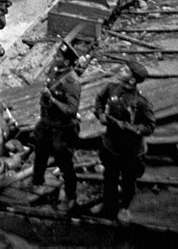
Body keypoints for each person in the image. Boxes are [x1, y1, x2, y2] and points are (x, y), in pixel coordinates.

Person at [92, 59, 155, 223]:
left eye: (126, 71)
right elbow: (99, 100)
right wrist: (100, 114)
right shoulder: (111, 88)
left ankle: (124, 207)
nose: (121, 70)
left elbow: (150, 125)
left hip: (131, 150)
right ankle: (108, 206)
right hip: (112, 145)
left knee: (128, 181)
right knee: (110, 178)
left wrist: (134, 129)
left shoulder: (140, 102)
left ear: (132, 80)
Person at [31, 41, 81, 211]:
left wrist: (52, 101)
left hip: (62, 129)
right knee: (40, 153)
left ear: (67, 62)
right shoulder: (54, 70)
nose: (55, 57)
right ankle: (37, 183)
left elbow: (72, 110)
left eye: (58, 56)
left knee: (64, 162)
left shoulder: (72, 82)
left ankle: (71, 195)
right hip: (46, 124)